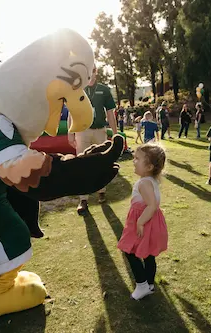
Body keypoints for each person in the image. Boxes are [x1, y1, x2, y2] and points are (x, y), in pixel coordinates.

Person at [117, 143, 168, 300]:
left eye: (137, 159)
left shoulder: (143, 183)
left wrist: (139, 222)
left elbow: (152, 205)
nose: (134, 161)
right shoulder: (150, 180)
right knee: (148, 254)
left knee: (129, 250)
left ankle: (142, 284)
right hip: (151, 221)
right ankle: (150, 284)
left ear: (149, 166)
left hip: (143, 221)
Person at [68, 65, 118, 215]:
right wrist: (70, 133)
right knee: (82, 163)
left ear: (96, 72)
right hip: (82, 131)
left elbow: (110, 113)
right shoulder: (76, 88)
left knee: (102, 162)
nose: (90, 74)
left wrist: (115, 134)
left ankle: (101, 191)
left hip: (99, 131)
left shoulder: (104, 89)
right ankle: (83, 199)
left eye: (93, 71)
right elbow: (72, 112)